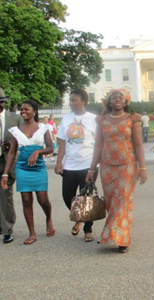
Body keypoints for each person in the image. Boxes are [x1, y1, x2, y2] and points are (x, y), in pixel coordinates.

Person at [86, 89, 147, 253]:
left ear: (126, 101)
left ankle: (121, 238)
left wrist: (142, 167)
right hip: (107, 166)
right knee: (111, 201)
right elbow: (98, 145)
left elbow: (139, 144)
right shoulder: (102, 120)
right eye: (114, 97)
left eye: (121, 97)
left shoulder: (132, 119)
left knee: (123, 201)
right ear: (108, 102)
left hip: (127, 165)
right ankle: (115, 233)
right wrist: (92, 169)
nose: (117, 99)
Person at [1, 100, 55, 245]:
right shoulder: (16, 130)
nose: (23, 112)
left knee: (42, 199)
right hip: (22, 168)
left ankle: (48, 218)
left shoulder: (43, 128)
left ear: (35, 111)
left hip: (38, 168)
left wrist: (38, 151)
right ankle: (32, 233)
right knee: (26, 200)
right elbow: (12, 153)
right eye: (21, 109)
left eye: (26, 109)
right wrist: (5, 174)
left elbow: (50, 148)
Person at [55, 89, 97, 242]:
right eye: (70, 100)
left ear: (83, 101)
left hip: (88, 164)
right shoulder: (66, 119)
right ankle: (80, 217)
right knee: (68, 196)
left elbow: (99, 143)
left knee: (86, 198)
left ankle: (88, 229)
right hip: (70, 165)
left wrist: (95, 165)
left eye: (74, 100)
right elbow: (62, 143)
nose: (71, 103)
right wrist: (59, 162)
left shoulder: (93, 119)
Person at [0, 87, 23, 244]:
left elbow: (24, 141)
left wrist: (13, 145)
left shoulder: (15, 119)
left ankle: (7, 229)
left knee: (5, 195)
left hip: (6, 161)